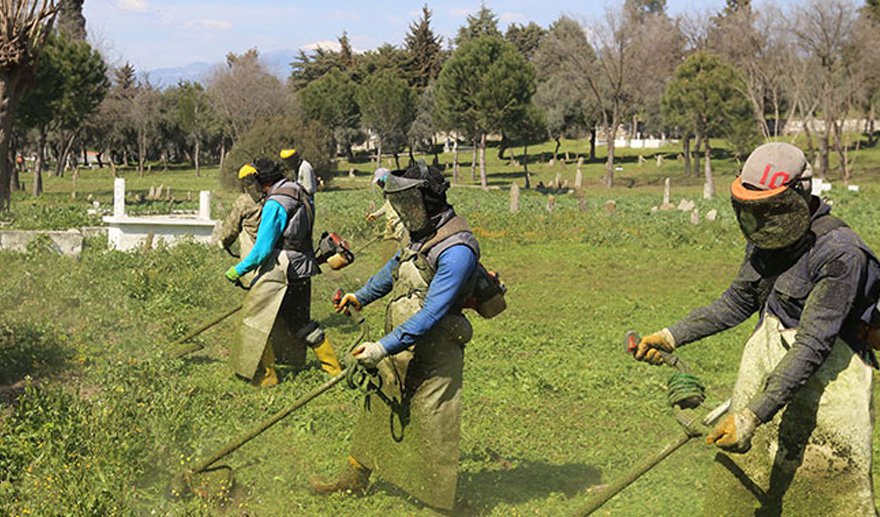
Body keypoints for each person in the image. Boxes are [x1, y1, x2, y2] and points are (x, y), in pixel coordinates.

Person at [634, 142, 880, 515]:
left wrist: (751, 415)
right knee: (749, 488)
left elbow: (812, 344)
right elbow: (736, 302)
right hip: (769, 380)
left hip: (828, 390)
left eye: (770, 208)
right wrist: (670, 335)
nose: (761, 221)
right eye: (755, 211)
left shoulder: (840, 253)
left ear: (799, 195)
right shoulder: (769, 236)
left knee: (824, 494)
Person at [310, 163, 480, 511]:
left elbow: (432, 314)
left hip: (436, 354)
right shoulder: (422, 233)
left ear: (426, 201)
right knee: (378, 405)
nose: (402, 212)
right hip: (401, 346)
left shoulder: (457, 249)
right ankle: (353, 479)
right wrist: (360, 295)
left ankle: (437, 502)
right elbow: (396, 269)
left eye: (408, 203)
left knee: (433, 424)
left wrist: (380, 347)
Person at [224, 158, 342, 387]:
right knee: (299, 322)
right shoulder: (298, 190)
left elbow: (262, 249)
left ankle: (266, 376)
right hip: (303, 266)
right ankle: (334, 370)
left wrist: (237, 270)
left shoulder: (276, 203)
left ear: (263, 183)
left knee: (256, 318)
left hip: (283, 268)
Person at [365, 167, 408, 248]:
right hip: (392, 225)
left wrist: (396, 222)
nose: (378, 184)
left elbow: (405, 209)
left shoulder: (397, 189)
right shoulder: (389, 191)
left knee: (403, 249)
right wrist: (375, 215)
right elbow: (388, 206)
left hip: (401, 226)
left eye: (379, 181)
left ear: (384, 179)